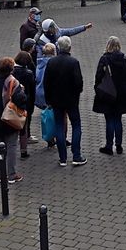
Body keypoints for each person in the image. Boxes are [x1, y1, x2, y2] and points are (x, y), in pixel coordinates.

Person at [93, 36, 126, 155]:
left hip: (108, 93)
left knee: (109, 119)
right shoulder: (124, 58)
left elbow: (98, 76)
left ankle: (109, 146)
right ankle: (119, 145)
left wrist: (97, 88)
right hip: (121, 94)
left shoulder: (104, 59)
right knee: (118, 119)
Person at [44, 36, 86, 166]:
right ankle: (76, 155)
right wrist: (77, 93)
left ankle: (62, 158)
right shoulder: (74, 62)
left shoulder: (51, 62)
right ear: (70, 47)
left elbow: (46, 83)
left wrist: (48, 99)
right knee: (76, 125)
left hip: (56, 100)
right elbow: (79, 83)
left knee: (59, 126)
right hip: (71, 100)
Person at [0, 57, 25, 182]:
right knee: (12, 145)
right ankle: (11, 174)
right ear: (11, 69)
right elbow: (21, 101)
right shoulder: (14, 83)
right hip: (10, 119)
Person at [13, 50, 38, 158]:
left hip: (14, 100)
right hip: (26, 101)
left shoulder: (12, 71)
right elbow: (32, 88)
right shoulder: (28, 73)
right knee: (25, 122)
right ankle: (24, 145)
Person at [35, 42, 57, 147]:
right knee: (53, 116)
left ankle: (49, 137)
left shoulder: (39, 63)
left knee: (47, 115)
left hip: (40, 92)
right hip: (49, 93)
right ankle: (52, 136)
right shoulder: (52, 64)